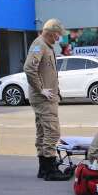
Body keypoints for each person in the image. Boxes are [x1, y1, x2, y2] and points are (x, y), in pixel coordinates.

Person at [23, 19, 71, 181]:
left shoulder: (46, 46)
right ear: (50, 33)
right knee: (52, 131)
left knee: (43, 132)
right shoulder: (39, 45)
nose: (59, 38)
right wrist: (41, 89)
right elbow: (29, 68)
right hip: (44, 99)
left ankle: (44, 169)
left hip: (46, 97)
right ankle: (50, 171)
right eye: (58, 34)